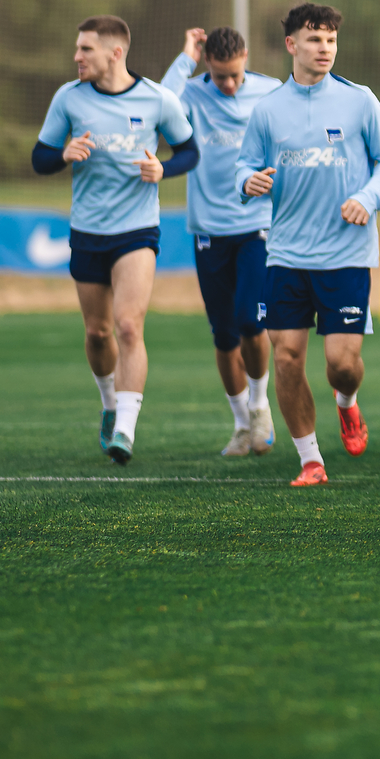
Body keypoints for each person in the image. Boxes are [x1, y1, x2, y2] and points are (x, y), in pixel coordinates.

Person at [238, 2, 380, 484]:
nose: (324, 48)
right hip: (286, 253)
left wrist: (368, 198)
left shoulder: (360, 100)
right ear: (292, 45)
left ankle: (347, 404)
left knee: (341, 365)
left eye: (330, 40)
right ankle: (311, 459)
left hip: (347, 253)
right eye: (314, 40)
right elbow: (243, 165)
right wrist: (248, 181)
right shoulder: (268, 109)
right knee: (286, 357)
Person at [32, 15, 196, 466]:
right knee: (98, 331)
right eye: (78, 48)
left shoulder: (157, 99)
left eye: (85, 49)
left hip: (137, 229)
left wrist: (165, 168)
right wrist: (62, 154)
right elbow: (39, 157)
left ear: (114, 53)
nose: (76, 57)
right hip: (87, 231)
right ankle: (108, 404)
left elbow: (189, 151)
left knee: (128, 325)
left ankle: (125, 428)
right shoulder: (68, 98)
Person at [162, 26, 282, 458]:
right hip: (209, 229)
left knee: (251, 320)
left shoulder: (272, 91)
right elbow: (159, 107)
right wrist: (186, 59)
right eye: (218, 76)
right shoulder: (193, 92)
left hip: (258, 225)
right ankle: (240, 424)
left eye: (233, 75)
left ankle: (260, 405)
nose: (227, 84)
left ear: (246, 58)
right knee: (223, 334)